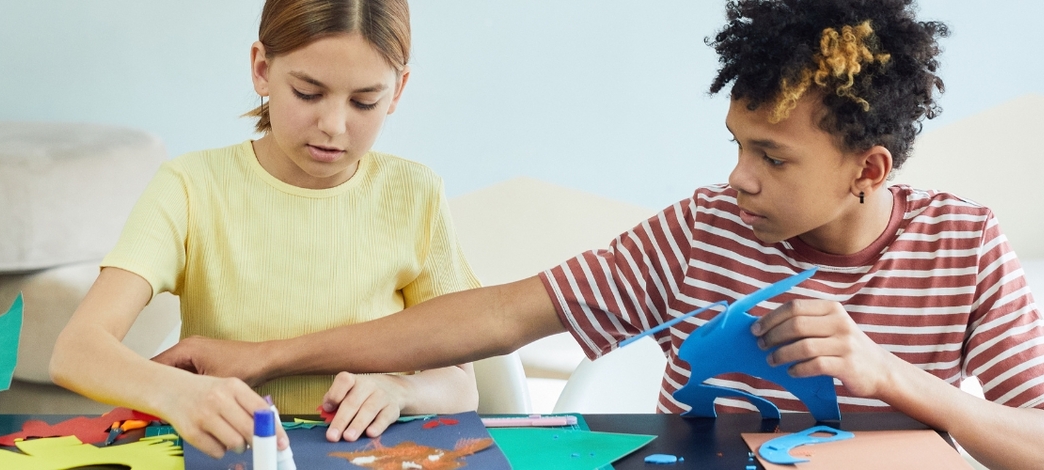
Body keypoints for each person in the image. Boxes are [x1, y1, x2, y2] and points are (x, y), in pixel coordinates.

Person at [151, 0, 1044, 468]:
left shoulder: (963, 248)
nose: (739, 178)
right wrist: (267, 355)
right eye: (737, 145)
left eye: (772, 158)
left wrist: (885, 374)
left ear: (869, 170)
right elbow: (501, 316)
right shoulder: (704, 228)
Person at [49, 0, 480, 459]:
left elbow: (461, 383)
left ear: (398, 91)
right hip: (232, 457)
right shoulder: (192, 186)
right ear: (261, 68)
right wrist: (174, 392)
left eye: (364, 101)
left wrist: (399, 391)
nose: (333, 126)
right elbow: (76, 350)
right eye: (308, 93)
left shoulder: (417, 193)